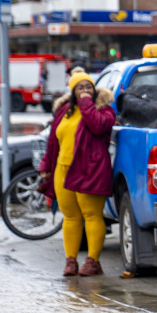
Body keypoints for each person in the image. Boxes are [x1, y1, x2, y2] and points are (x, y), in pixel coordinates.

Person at [38, 69, 115, 276]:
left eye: (88, 86)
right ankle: (70, 261)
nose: (84, 90)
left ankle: (93, 262)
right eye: (79, 87)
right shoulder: (64, 110)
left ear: (94, 89)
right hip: (63, 170)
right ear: (72, 91)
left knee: (92, 215)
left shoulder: (104, 110)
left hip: (91, 170)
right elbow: (53, 141)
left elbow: (98, 127)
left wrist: (86, 103)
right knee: (70, 216)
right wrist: (46, 165)